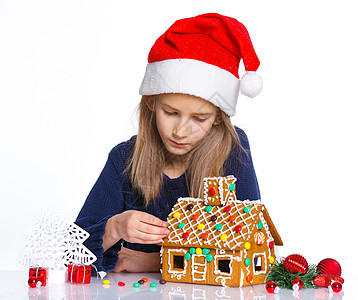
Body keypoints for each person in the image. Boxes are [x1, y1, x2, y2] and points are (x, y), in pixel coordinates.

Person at [75, 12, 263, 274]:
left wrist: (155, 262)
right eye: (171, 113)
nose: (181, 131)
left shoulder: (233, 150)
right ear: (151, 102)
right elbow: (69, 256)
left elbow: (251, 246)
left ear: (218, 117)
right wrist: (115, 227)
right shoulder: (124, 159)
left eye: (199, 118)